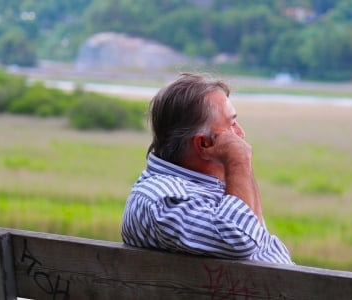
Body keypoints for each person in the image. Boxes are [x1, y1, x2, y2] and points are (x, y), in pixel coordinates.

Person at [121, 73, 293, 264]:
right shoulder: (160, 198)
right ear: (203, 144)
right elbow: (240, 239)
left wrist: (238, 163)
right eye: (232, 124)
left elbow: (255, 231)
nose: (241, 134)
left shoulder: (202, 187)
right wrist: (238, 160)